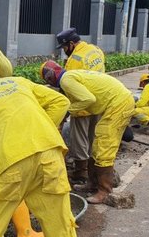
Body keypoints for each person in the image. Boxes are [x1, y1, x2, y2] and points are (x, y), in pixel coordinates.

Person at [0, 67, 76, 236]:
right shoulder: (17, 81)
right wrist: (40, 133)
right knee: (61, 225)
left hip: (7, 164)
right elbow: (61, 102)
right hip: (50, 155)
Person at [40, 62, 134, 204]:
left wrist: (68, 110)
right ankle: (93, 183)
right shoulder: (71, 75)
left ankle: (104, 191)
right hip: (116, 102)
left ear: (49, 78)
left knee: (104, 145)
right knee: (96, 145)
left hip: (118, 104)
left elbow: (88, 99)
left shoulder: (66, 80)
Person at [55, 28, 105, 184]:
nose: (64, 52)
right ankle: (93, 171)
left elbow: (69, 85)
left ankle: (80, 172)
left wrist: (64, 109)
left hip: (82, 103)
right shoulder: (96, 50)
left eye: (64, 48)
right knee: (92, 137)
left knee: (80, 140)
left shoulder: (75, 58)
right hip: (99, 99)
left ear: (71, 43)